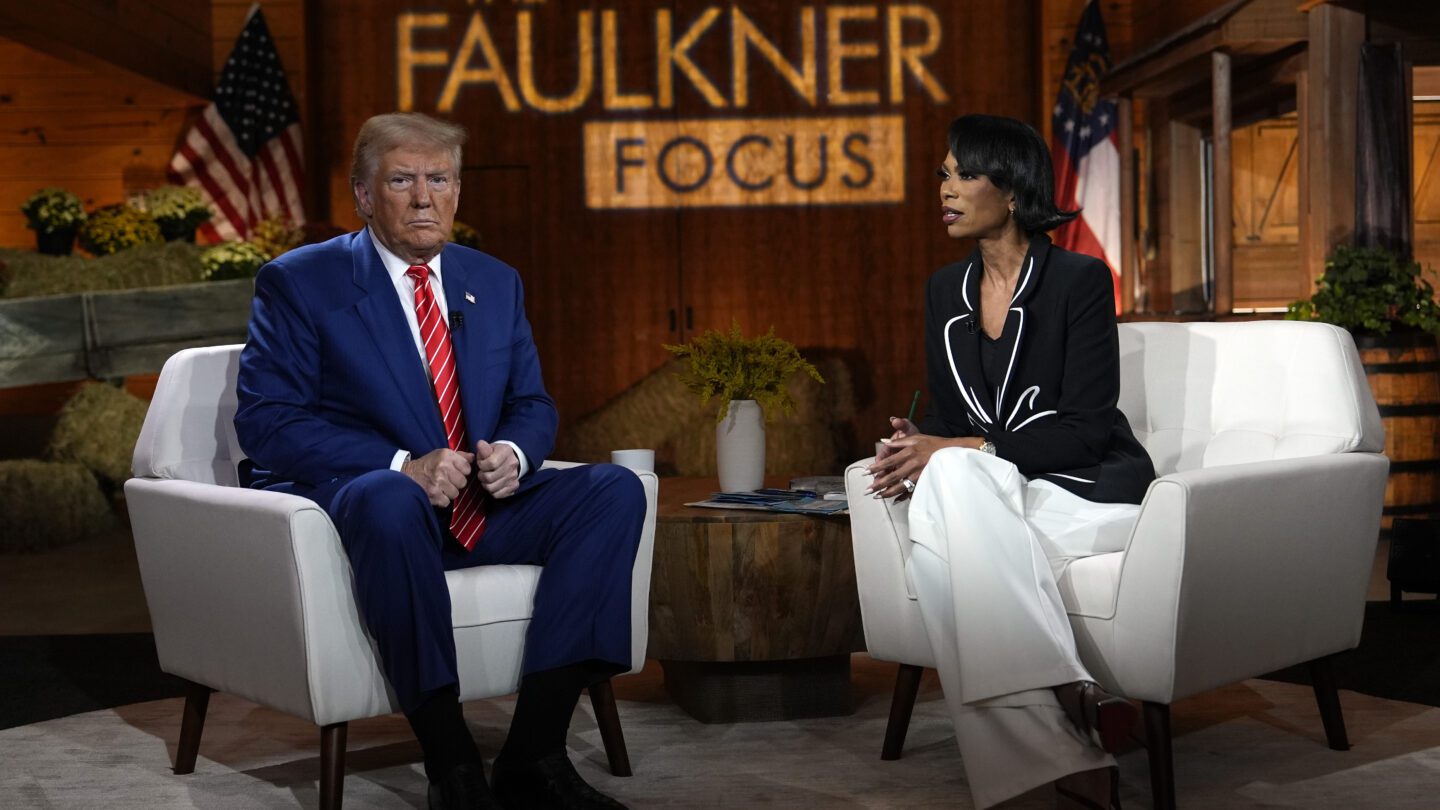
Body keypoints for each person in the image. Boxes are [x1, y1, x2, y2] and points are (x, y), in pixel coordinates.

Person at [234, 111, 645, 810]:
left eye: (440, 179)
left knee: (613, 491)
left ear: (457, 192)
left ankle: (534, 752)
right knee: (391, 500)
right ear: (365, 195)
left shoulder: (495, 281)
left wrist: (514, 452)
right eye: (402, 180)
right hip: (374, 510)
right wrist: (401, 463)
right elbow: (268, 422)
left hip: (482, 506)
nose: (425, 197)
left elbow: (532, 402)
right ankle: (451, 762)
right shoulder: (302, 283)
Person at [865, 114, 1156, 809]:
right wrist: (920, 439)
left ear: (1015, 189)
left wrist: (956, 450)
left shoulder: (1080, 282)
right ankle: (1068, 716)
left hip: (1085, 492)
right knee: (951, 489)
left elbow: (1086, 431)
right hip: (997, 497)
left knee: (948, 518)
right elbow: (951, 418)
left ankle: (1059, 723)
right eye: (943, 173)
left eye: (964, 172)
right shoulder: (945, 291)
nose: (946, 187)